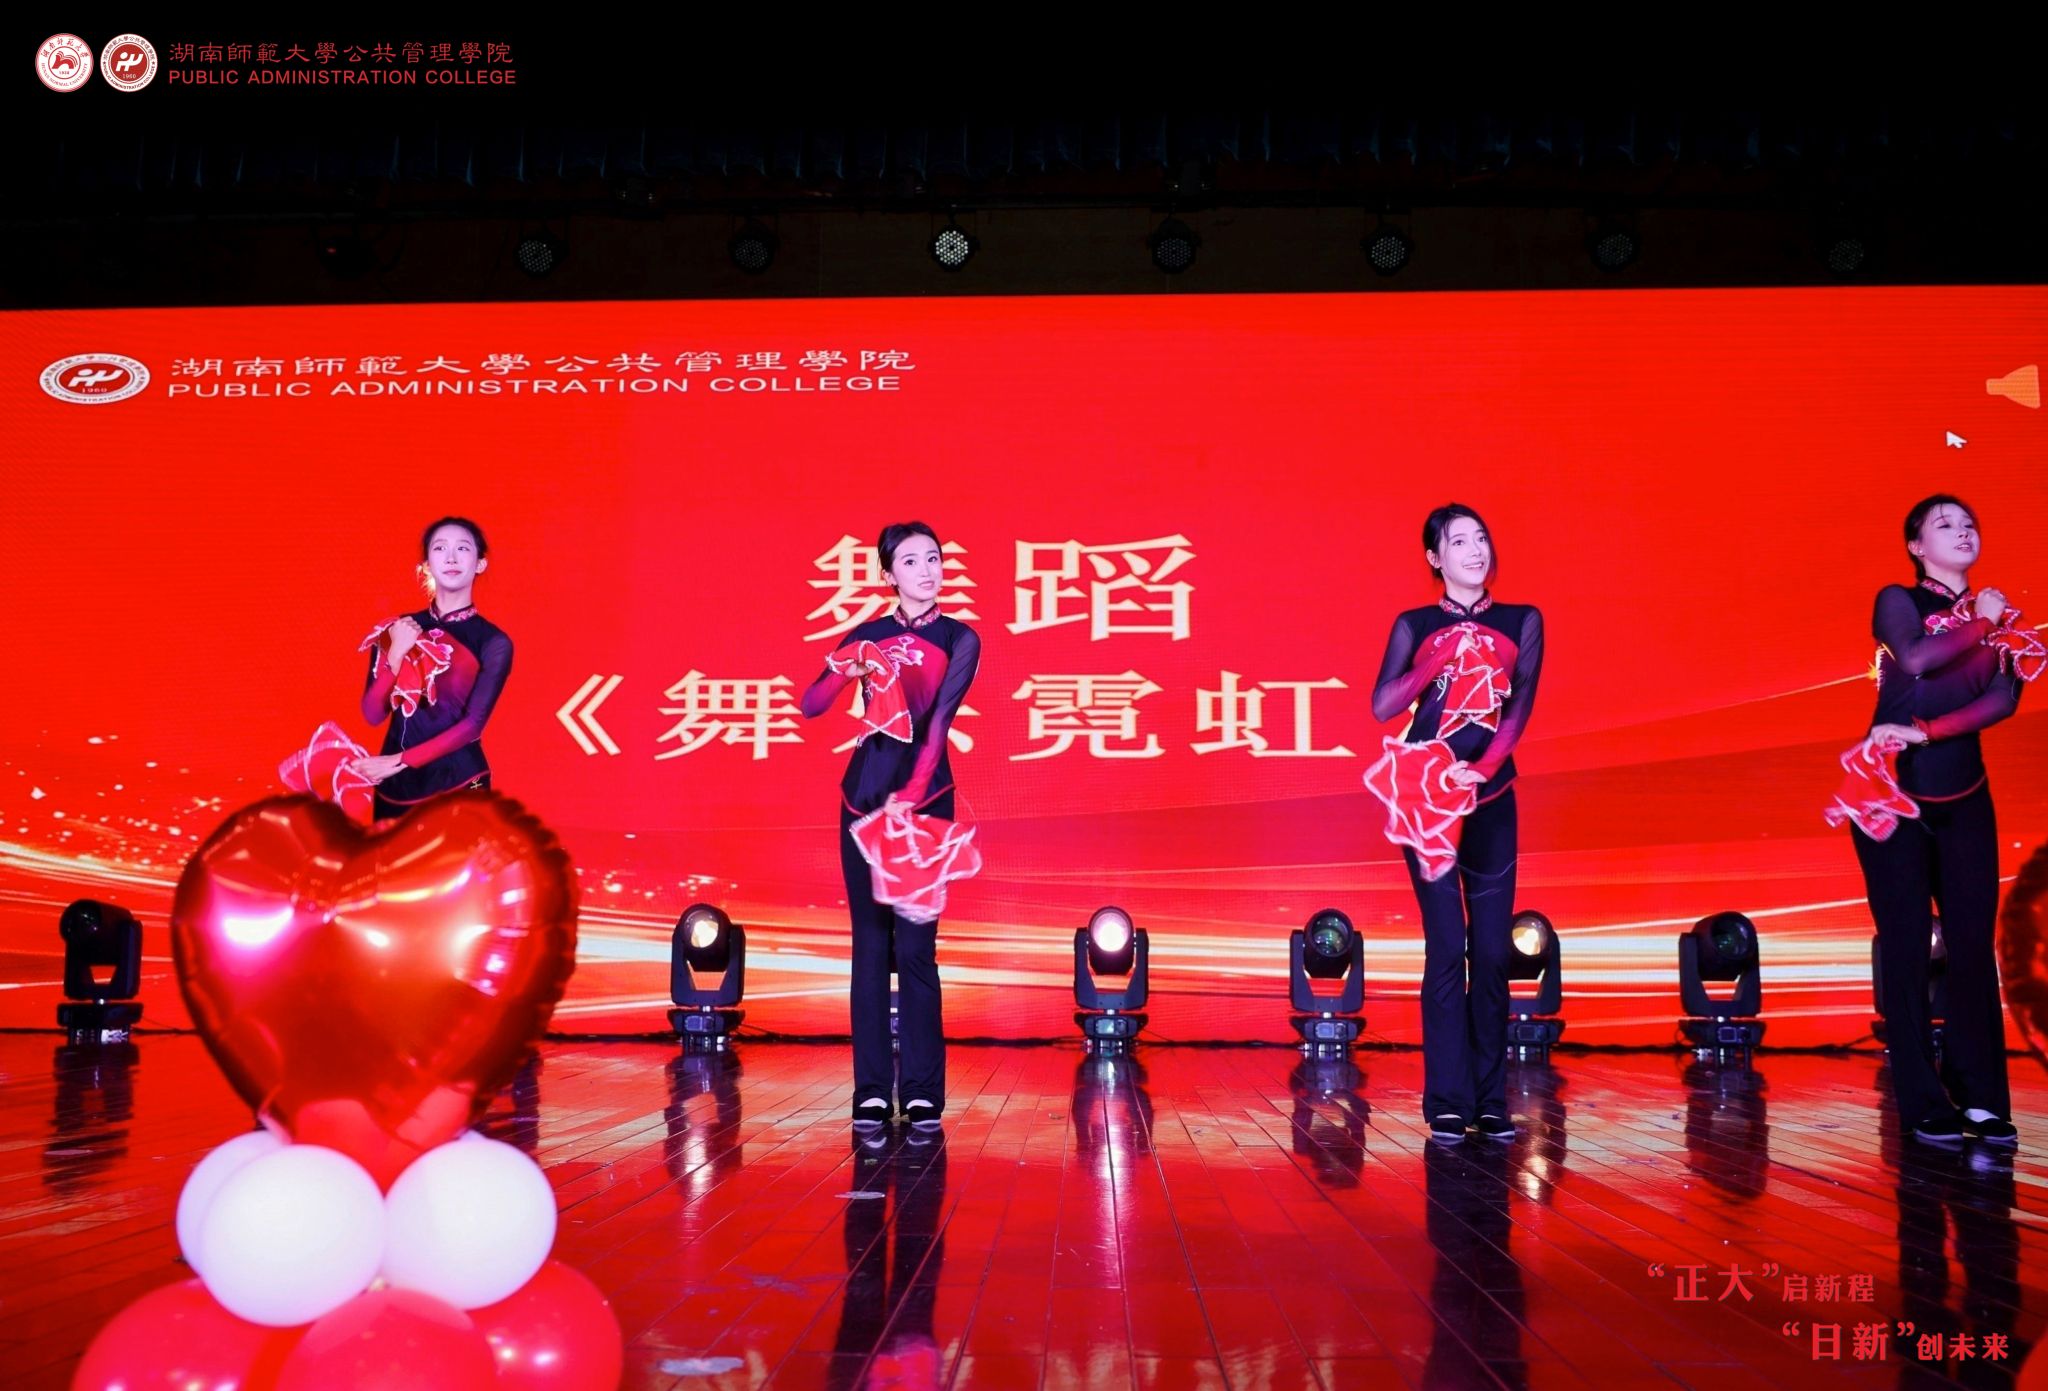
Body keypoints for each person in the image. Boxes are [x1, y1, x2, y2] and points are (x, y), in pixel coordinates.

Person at [1851, 494, 2021, 1146]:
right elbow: (1918, 657)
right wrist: (1981, 621)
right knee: (1906, 944)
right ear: (1917, 547)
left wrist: (1927, 731)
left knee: (1972, 945)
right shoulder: (1898, 599)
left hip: (1964, 791)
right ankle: (1924, 1099)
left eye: (1970, 523)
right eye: (1945, 525)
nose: (1963, 531)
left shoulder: (2002, 621)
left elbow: (2001, 700)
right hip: (1890, 792)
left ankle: (1982, 1098)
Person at [1371, 504, 1543, 1145]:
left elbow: (1519, 706)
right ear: (1434, 558)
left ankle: (1490, 1101)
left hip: (1491, 794)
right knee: (1447, 946)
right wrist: (1435, 659)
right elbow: (1383, 705)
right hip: (1427, 800)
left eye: (1482, 538)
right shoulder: (1414, 625)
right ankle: (1446, 1101)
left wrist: (1485, 767)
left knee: (1492, 951)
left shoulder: (1521, 620)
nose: (1476, 550)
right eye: (1459, 541)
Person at [800, 522, 980, 1127]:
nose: (927, 571)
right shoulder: (868, 634)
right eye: (910, 561)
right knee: (871, 947)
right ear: (888, 575)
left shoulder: (959, 638)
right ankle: (872, 1091)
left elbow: (938, 725)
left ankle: (924, 1089)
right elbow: (811, 705)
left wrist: (912, 795)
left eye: (934, 559)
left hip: (923, 805)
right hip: (862, 802)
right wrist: (845, 668)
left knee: (917, 948)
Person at [350, 517, 514, 820]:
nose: (451, 558)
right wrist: (395, 654)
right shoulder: (399, 628)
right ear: (427, 565)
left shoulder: (493, 642)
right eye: (440, 548)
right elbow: (372, 714)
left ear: (480, 564)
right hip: (395, 789)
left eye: (462, 548)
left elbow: (472, 725)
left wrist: (398, 761)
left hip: (462, 784)